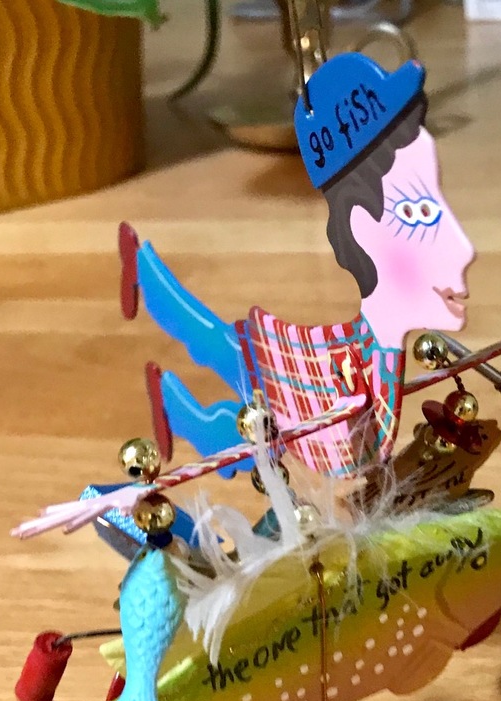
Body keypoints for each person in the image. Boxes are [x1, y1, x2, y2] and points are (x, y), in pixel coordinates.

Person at [131, 53, 475, 481]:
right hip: (292, 373)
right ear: (362, 228)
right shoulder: (343, 374)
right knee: (229, 360)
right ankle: (143, 275)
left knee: (238, 382)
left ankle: (171, 402)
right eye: (419, 212)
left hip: (301, 389)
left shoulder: (372, 370)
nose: (464, 249)